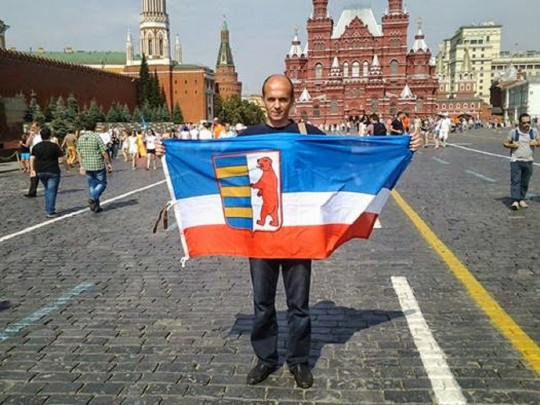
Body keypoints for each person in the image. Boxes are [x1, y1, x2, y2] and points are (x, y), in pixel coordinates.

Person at [156, 74, 421, 389]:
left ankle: (298, 361)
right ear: (264, 100)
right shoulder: (247, 137)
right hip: (260, 237)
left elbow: (348, 155)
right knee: (262, 303)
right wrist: (168, 149)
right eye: (271, 99)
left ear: (292, 101)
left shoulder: (308, 135)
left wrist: (401, 147)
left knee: (299, 306)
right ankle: (266, 358)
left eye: (283, 99)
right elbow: (208, 159)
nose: (277, 105)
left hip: (298, 236)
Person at [29, 127, 70, 218]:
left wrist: (32, 169)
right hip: (53, 171)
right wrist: (67, 168)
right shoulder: (54, 146)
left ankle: (48, 208)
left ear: (41, 136)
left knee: (47, 189)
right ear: (50, 136)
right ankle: (50, 211)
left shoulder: (36, 146)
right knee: (51, 191)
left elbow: (32, 158)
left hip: (40, 171)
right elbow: (63, 158)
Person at [503, 113, 539, 210]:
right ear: (519, 123)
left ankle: (521, 199)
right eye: (524, 123)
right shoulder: (514, 132)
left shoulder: (534, 131)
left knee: (525, 181)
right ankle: (515, 200)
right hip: (516, 160)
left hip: (529, 160)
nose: (526, 124)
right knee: (515, 180)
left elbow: (539, 142)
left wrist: (536, 143)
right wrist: (512, 145)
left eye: (528, 122)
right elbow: (505, 143)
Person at [77, 122, 113, 213]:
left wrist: (81, 166)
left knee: (92, 185)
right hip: (98, 164)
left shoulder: (81, 138)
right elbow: (104, 151)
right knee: (102, 183)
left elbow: (79, 153)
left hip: (87, 165)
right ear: (94, 127)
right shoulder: (96, 137)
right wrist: (108, 163)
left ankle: (96, 206)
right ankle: (93, 198)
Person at [24, 122, 43, 198]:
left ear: (38, 127)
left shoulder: (42, 134)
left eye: (34, 127)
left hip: (42, 156)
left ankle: (50, 188)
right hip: (34, 157)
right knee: (33, 174)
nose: (32, 129)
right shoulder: (32, 135)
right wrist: (31, 136)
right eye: (31, 127)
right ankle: (32, 192)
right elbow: (27, 144)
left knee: (45, 173)